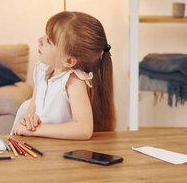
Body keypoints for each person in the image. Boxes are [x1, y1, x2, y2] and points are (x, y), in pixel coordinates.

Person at [11, 11, 115, 140]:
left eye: (49, 40)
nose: (40, 40)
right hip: (41, 148)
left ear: (69, 61)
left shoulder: (73, 82)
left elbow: (84, 129)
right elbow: (30, 113)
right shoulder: (42, 72)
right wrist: (29, 119)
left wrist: (36, 130)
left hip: (61, 152)